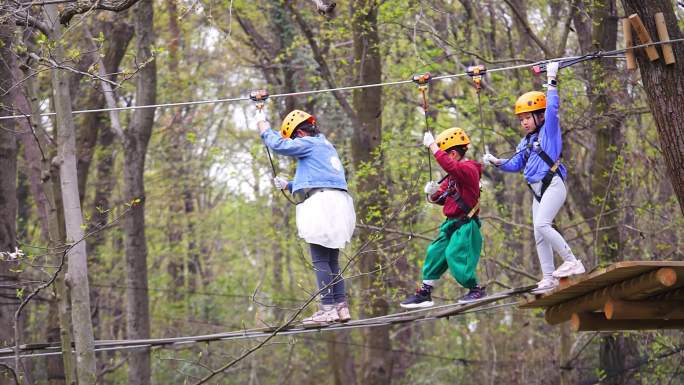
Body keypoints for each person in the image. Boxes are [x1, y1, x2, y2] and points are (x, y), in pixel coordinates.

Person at [482, 62, 585, 294]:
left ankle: (572, 261)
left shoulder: (549, 131)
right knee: (539, 234)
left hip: (553, 184)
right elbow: (516, 164)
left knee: (542, 224)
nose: (524, 122)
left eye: (528, 117)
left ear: (539, 116)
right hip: (536, 190)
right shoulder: (526, 142)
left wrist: (551, 78)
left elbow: (552, 108)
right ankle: (548, 277)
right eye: (521, 119)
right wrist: (496, 162)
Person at [257, 109, 356, 325]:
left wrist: (265, 130)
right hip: (338, 203)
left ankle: (327, 309)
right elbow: (322, 177)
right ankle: (340, 306)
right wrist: (289, 185)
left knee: (320, 259)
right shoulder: (326, 145)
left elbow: (279, 146)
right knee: (331, 261)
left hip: (322, 204)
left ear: (300, 134)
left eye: (294, 138)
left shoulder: (309, 143)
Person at [401, 127, 485, 308]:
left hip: (465, 225)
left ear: (453, 154)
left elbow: (450, 166)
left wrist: (433, 146)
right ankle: (425, 292)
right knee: (435, 252)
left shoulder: (469, 170)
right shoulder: (453, 177)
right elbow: (444, 198)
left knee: (455, 254)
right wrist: (432, 194)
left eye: (446, 155)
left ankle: (475, 288)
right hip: (451, 224)